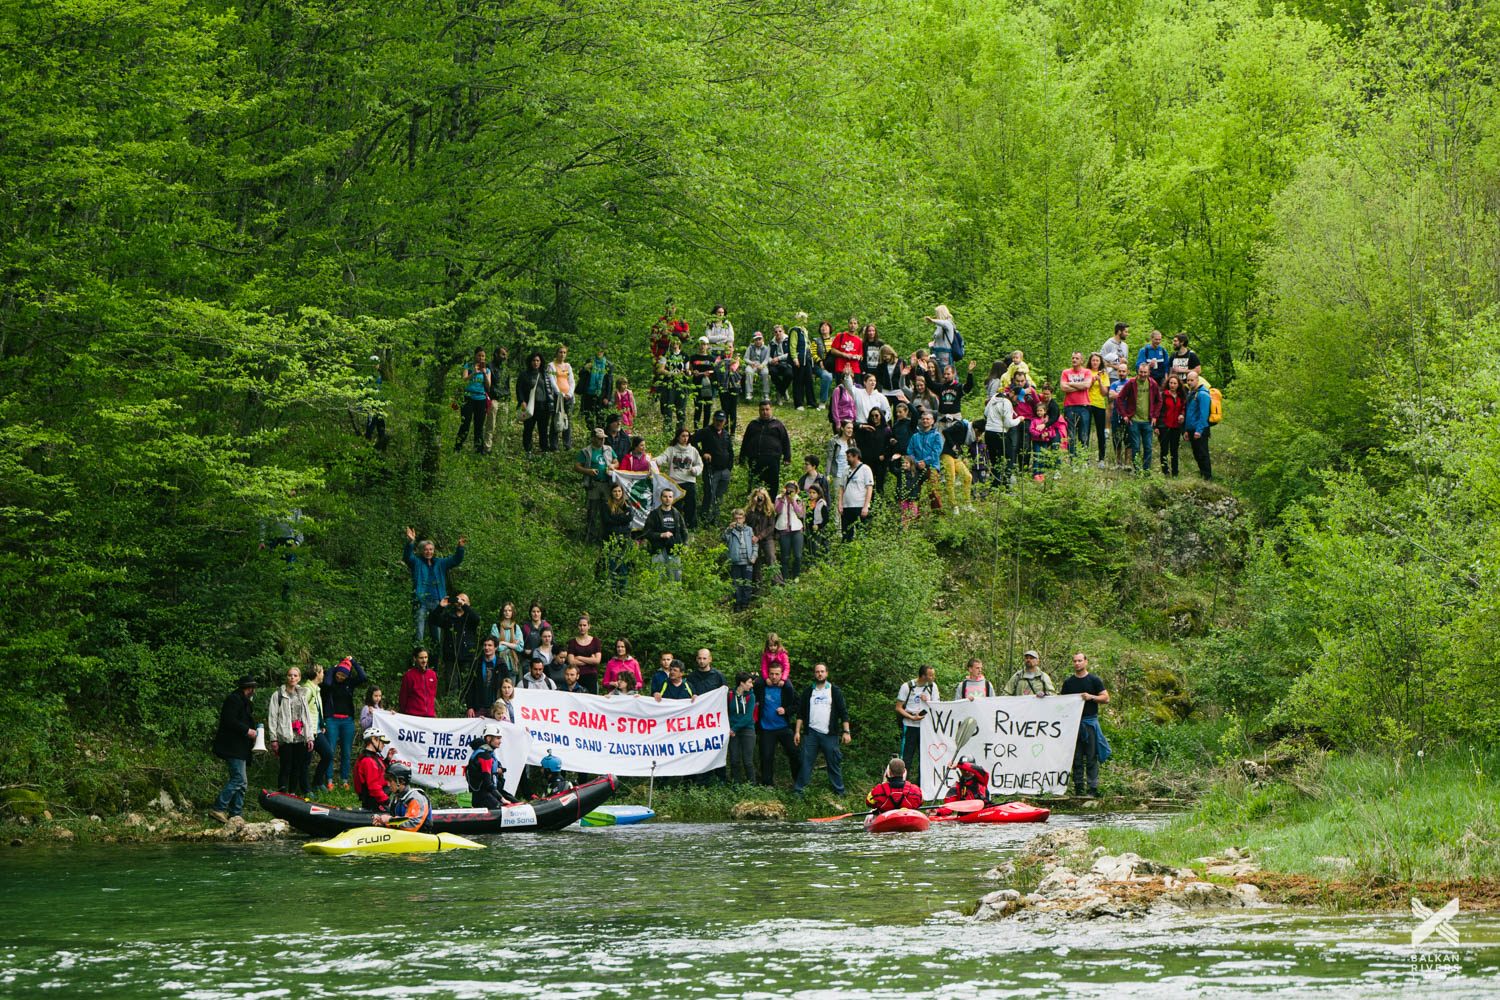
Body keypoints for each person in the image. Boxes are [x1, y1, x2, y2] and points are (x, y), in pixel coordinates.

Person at [207, 675, 259, 824]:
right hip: (232, 746)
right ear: (249, 688)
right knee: (238, 779)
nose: (253, 691)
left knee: (242, 782)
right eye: (252, 688)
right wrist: (247, 731)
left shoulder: (243, 701)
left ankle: (236, 814)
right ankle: (219, 808)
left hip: (240, 747)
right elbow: (229, 720)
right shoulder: (234, 699)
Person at [793, 662, 850, 796]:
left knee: (834, 763)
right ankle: (799, 792)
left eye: (822, 671)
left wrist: (846, 732)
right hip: (811, 733)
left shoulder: (834, 691)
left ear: (827, 673)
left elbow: (843, 713)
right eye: (817, 671)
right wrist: (797, 732)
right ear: (814, 674)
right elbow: (800, 713)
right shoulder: (808, 691)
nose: (820, 674)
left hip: (829, 734)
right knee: (805, 763)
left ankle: (840, 792)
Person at [402, 527, 466, 642]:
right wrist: (410, 542)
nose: (429, 552)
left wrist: (460, 547)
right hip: (422, 602)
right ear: (422, 551)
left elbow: (455, 560)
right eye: (426, 550)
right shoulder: (417, 562)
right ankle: (418, 657)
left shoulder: (440, 563)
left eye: (431, 549)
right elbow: (407, 557)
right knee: (419, 634)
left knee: (436, 637)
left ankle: (435, 659)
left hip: (438, 603)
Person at [320, 657, 366, 790]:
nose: (340, 677)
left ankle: (344, 779)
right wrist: (334, 668)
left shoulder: (349, 683)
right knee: (330, 751)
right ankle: (329, 780)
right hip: (332, 720)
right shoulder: (330, 683)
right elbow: (327, 683)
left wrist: (354, 663)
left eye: (344, 675)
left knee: (346, 752)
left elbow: (363, 677)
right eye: (339, 674)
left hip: (347, 721)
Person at [267, 666, 314, 795]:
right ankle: (282, 792)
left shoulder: (302, 694)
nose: (292, 678)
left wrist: (309, 737)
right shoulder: (278, 695)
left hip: (300, 736)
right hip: (285, 735)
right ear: (286, 677)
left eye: (295, 675)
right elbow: (272, 717)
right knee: (285, 766)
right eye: (290, 675)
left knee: (297, 766)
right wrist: (273, 738)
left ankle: (292, 792)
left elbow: (307, 717)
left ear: (299, 678)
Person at [755, 662, 798, 786]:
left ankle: (798, 782)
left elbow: (797, 704)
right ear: (767, 674)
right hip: (766, 728)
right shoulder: (762, 687)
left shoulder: (786, 688)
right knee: (766, 757)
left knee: (794, 753)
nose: (774, 677)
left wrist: (786, 711)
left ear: (782, 674)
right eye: (771, 674)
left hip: (783, 727)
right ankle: (768, 784)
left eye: (777, 674)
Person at [574, 427, 618, 543]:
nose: (602, 441)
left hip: (607, 484)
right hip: (593, 484)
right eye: (599, 439)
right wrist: (588, 471)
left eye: (603, 439)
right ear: (593, 438)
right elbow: (577, 466)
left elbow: (616, 461)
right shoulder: (586, 451)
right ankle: (590, 537)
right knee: (592, 511)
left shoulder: (608, 449)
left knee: (607, 510)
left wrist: (613, 466)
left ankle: (605, 537)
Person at [426, 592, 481, 684]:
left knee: (465, 686)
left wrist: (464, 606)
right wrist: (441, 606)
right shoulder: (449, 616)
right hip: (451, 657)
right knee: (451, 686)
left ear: (468, 604)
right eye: (458, 599)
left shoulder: (470, 617)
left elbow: (477, 619)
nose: (459, 602)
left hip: (467, 657)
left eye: (463, 600)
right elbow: (433, 620)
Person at [739, 400, 791, 495]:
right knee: (754, 484)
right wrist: (742, 458)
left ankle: (771, 506)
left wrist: (787, 458)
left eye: (767, 409)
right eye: (762, 409)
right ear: (759, 411)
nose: (765, 412)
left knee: (773, 484)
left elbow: (785, 441)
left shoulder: (778, 424)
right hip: (755, 460)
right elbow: (745, 442)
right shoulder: (753, 424)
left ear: (771, 410)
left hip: (772, 460)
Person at [692, 410, 735, 526]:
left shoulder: (726, 434)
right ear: (713, 420)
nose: (719, 423)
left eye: (721, 421)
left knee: (719, 496)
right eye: (717, 420)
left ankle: (716, 519)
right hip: (711, 469)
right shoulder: (706, 431)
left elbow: (730, 450)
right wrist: (702, 453)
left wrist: (730, 466)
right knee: (709, 495)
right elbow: (692, 440)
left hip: (725, 470)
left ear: (725, 421)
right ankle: (706, 519)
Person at [1118, 362, 1161, 475]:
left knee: (1148, 447)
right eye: (1141, 372)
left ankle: (1146, 471)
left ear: (1149, 372)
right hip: (1134, 421)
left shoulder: (1152, 384)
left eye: (1145, 372)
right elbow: (1119, 399)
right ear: (1137, 371)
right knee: (1136, 447)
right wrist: (1125, 415)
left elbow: (1159, 401)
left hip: (1148, 421)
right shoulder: (1131, 383)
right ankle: (1137, 470)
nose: (1143, 374)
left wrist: (1155, 416)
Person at [895, 665, 938, 774]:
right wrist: (912, 717)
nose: (934, 677)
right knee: (907, 756)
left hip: (926, 727)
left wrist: (928, 700)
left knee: (925, 757)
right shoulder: (907, 686)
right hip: (910, 726)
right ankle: (902, 782)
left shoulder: (932, 687)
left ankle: (921, 784)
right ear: (923, 676)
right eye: (931, 675)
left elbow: (937, 706)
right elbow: (898, 708)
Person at [660, 425, 704, 530]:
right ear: (678, 437)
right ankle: (676, 527)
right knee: (676, 507)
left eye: (687, 436)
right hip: (675, 483)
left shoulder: (693, 450)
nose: (685, 438)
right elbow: (663, 458)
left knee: (691, 506)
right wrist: (653, 461)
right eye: (683, 436)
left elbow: (700, 464)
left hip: (689, 482)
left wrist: (695, 470)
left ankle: (691, 528)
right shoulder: (671, 450)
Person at [466, 721, 518, 809]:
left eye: (500, 738)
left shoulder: (488, 753)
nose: (500, 741)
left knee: (518, 804)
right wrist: (502, 799)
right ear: (489, 738)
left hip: (491, 792)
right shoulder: (484, 756)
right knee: (504, 806)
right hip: (482, 796)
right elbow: (487, 783)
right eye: (498, 738)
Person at [642, 485, 688, 581]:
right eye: (665, 496)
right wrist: (661, 535)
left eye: (670, 497)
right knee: (657, 578)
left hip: (674, 548)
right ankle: (658, 597)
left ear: (673, 498)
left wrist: (685, 545)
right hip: (658, 549)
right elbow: (646, 533)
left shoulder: (677, 513)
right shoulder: (654, 514)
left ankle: (674, 596)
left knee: (676, 577)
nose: (668, 499)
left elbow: (684, 531)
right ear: (661, 498)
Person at [516, 351, 557, 456]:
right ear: (530, 362)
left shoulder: (545, 375)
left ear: (541, 362)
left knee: (543, 430)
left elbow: (551, 389)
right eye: (533, 360)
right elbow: (519, 389)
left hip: (544, 407)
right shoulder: (524, 375)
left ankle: (544, 450)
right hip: (530, 406)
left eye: (537, 360)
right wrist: (522, 401)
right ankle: (528, 450)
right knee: (528, 429)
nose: (535, 362)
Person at [371, 762, 431, 831]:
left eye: (390, 781)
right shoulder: (397, 798)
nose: (388, 784)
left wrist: (390, 820)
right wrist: (383, 822)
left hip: (421, 839)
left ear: (401, 781)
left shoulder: (416, 798)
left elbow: (413, 825)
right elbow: (396, 824)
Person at [302, 664, 332, 793]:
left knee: (328, 754)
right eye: (322, 672)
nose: (323, 674)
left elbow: (317, 710)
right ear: (317, 673)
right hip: (308, 731)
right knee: (305, 761)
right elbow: (302, 710)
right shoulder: (307, 689)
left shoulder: (316, 689)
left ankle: (317, 782)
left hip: (317, 730)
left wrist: (322, 724)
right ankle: (306, 789)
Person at [455, 347, 491, 454]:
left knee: (479, 426)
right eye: (479, 355)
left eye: (483, 356)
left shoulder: (487, 370)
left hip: (481, 399)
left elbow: (488, 386)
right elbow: (464, 380)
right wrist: (474, 373)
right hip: (468, 398)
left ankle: (478, 450)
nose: (481, 358)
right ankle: (457, 447)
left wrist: (484, 373)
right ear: (475, 355)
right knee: (465, 424)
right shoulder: (468, 366)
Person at [984, 383, 1021, 485]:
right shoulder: (1007, 403)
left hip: (988, 433)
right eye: (1018, 398)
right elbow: (1008, 423)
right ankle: (1006, 485)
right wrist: (1019, 419)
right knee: (1009, 459)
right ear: (1012, 393)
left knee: (994, 460)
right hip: (1000, 434)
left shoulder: (994, 397)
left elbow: (986, 413)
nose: (1018, 401)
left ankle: (994, 485)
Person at [1059, 351, 1093, 460]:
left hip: (1084, 406)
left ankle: (1084, 460)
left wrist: (1070, 384)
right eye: (1073, 358)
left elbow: (1087, 385)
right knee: (1071, 436)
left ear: (1081, 361)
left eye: (1077, 358)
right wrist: (1080, 386)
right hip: (1069, 406)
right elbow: (1063, 388)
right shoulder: (1065, 372)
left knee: (1083, 436)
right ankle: (1073, 461)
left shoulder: (1087, 372)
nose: (1074, 360)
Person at [351, 728, 394, 811]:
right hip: (374, 801)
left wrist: (387, 760)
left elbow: (379, 771)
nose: (384, 745)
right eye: (382, 742)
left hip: (378, 798)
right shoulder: (368, 761)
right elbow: (374, 787)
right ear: (374, 739)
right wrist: (388, 802)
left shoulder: (373, 756)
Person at [745, 486, 780, 586]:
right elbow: (749, 522)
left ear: (765, 498)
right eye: (758, 497)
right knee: (756, 560)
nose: (760, 499)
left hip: (766, 538)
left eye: (762, 497)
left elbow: (771, 527)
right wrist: (753, 506)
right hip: (753, 538)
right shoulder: (749, 509)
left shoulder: (769, 509)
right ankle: (757, 584)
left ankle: (777, 582)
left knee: (771, 557)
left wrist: (759, 536)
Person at [723, 508, 757, 610]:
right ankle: (737, 605)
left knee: (747, 584)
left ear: (744, 519)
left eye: (740, 518)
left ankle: (745, 605)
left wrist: (754, 556)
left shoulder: (749, 530)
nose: (738, 520)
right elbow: (724, 539)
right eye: (736, 518)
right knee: (736, 584)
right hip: (736, 561)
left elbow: (755, 545)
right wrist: (729, 529)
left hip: (748, 562)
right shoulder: (730, 530)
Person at [906, 409, 942, 504]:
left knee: (933, 491)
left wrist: (925, 462)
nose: (925, 421)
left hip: (932, 466)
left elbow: (936, 452)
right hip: (917, 467)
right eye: (923, 419)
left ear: (932, 421)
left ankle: (937, 516)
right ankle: (915, 515)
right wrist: (917, 462)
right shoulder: (915, 436)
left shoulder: (936, 436)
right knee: (914, 492)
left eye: (928, 419)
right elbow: (910, 451)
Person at [727, 673, 758, 784]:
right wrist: (731, 728)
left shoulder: (751, 696)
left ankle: (752, 785)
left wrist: (734, 729)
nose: (751, 685)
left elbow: (748, 717)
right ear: (741, 683)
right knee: (734, 760)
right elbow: (726, 712)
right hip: (732, 731)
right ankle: (736, 784)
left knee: (747, 761)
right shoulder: (730, 695)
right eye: (749, 682)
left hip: (747, 730)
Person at [939, 418, 973, 512]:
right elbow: (946, 431)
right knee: (951, 479)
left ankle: (967, 503)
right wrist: (952, 444)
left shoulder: (968, 432)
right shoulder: (960, 426)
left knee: (967, 476)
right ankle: (953, 505)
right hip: (947, 454)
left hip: (956, 456)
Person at [840, 447, 874, 542]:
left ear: (856, 456)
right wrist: (840, 504)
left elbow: (869, 488)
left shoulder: (865, 469)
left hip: (859, 505)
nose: (847, 459)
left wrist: (866, 506)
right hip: (847, 506)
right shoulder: (845, 470)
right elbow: (841, 488)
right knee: (846, 533)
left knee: (861, 532)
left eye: (849, 457)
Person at [1184, 370, 1213, 480]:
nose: (1190, 382)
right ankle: (1202, 474)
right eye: (1188, 380)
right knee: (1196, 453)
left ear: (1197, 380)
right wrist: (1187, 430)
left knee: (1203, 453)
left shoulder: (1202, 394)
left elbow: (1203, 414)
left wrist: (1199, 430)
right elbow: (1189, 413)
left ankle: (1207, 477)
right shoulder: (1191, 394)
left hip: (1200, 429)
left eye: (1192, 380)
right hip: (1192, 429)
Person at [773, 481, 805, 581]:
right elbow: (777, 510)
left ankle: (796, 576)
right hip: (783, 530)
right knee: (785, 556)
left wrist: (792, 501)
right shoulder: (779, 497)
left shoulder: (798, 499)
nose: (790, 492)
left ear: (796, 491)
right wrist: (783, 498)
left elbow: (800, 513)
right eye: (788, 490)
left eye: (792, 491)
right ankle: (785, 578)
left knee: (798, 555)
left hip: (797, 530)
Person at [466, 637, 506, 718]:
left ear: (496, 647)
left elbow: (507, 687)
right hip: (478, 707)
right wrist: (470, 707)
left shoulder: (501, 664)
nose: (487, 648)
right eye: (485, 645)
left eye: (490, 645)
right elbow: (469, 686)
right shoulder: (476, 663)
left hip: (496, 708)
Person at [579, 343, 614, 430]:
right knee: (588, 417)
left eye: (601, 351)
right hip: (588, 394)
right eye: (597, 350)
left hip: (601, 395)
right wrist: (585, 368)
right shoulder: (590, 361)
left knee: (601, 418)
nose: (599, 352)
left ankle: (600, 439)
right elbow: (581, 375)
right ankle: (590, 437)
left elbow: (610, 382)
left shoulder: (608, 365)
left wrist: (607, 397)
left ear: (604, 352)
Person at [565, 613, 604, 692]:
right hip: (576, 677)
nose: (582, 628)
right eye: (580, 625)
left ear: (589, 626)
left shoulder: (595, 641)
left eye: (584, 625)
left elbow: (597, 660)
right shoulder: (572, 642)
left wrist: (579, 657)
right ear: (577, 626)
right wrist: (590, 660)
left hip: (591, 676)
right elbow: (571, 661)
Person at [548, 345, 576, 451]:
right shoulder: (552, 365)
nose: (562, 354)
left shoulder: (567, 366)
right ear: (556, 353)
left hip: (568, 397)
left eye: (564, 352)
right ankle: (554, 445)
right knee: (556, 418)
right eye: (560, 352)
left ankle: (567, 444)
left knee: (567, 419)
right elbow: (552, 381)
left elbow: (571, 380)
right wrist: (560, 393)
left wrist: (570, 393)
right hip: (557, 397)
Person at [1158, 373, 1186, 477]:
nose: (1172, 385)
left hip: (1176, 427)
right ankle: (1165, 471)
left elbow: (1183, 408)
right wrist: (1156, 427)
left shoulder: (1181, 396)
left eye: (1175, 383)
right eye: (1171, 383)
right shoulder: (1163, 395)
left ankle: (1175, 472)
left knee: (1174, 450)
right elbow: (1158, 411)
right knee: (1164, 449)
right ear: (1168, 383)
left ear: (1178, 384)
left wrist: (1182, 415)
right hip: (1164, 426)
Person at [657, 338, 689, 428]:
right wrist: (672, 374)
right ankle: (667, 432)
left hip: (682, 385)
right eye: (673, 340)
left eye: (677, 340)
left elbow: (687, 370)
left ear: (680, 342)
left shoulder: (685, 355)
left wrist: (688, 372)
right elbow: (660, 369)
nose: (675, 342)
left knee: (681, 410)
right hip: (669, 384)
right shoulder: (666, 355)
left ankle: (681, 432)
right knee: (668, 409)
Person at [1084, 352, 1110, 466]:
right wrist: (1093, 380)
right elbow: (1085, 388)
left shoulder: (1104, 374)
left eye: (1097, 361)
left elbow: (1105, 393)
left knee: (1100, 432)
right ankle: (1085, 458)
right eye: (1093, 360)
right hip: (1087, 403)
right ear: (1090, 361)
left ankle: (1101, 459)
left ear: (1100, 362)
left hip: (1100, 405)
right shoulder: (1086, 372)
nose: (1095, 362)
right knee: (1086, 431)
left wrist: (1099, 381)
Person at [1107, 360, 1132, 468]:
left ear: (1128, 372)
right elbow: (1110, 395)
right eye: (1120, 371)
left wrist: (1118, 395)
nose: (1121, 373)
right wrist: (1123, 396)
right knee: (1116, 438)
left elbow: (1131, 397)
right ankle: (1118, 462)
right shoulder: (1114, 384)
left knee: (1128, 438)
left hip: (1129, 414)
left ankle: (1127, 463)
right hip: (1116, 413)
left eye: (1123, 371)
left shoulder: (1131, 383)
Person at [399, 647, 438, 717]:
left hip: (430, 715)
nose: (424, 660)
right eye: (421, 658)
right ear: (415, 658)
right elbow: (403, 698)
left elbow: (433, 695)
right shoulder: (409, 676)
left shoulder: (433, 675)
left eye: (426, 657)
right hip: (414, 715)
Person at [688, 337, 718, 428]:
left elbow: (715, 371)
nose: (702, 346)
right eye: (700, 344)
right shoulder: (693, 357)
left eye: (704, 344)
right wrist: (693, 372)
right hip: (697, 385)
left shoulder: (712, 358)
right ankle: (696, 429)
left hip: (708, 385)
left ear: (707, 346)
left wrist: (709, 373)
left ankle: (705, 428)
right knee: (698, 408)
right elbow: (689, 371)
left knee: (707, 408)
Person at [490, 602, 525, 679]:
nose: (507, 612)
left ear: (513, 612)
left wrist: (503, 642)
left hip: (513, 664)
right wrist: (512, 645)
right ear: (502, 612)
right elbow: (495, 646)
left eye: (509, 610)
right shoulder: (496, 627)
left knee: (511, 688)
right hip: (499, 663)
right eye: (505, 610)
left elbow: (520, 647)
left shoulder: (516, 627)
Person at [787, 314, 815, 410]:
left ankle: (811, 402)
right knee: (798, 380)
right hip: (799, 358)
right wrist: (795, 358)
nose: (805, 319)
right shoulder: (795, 330)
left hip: (807, 358)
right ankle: (798, 403)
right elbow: (792, 345)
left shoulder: (804, 330)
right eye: (803, 318)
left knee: (809, 380)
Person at [826, 418, 853, 505]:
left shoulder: (852, 442)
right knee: (838, 499)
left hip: (849, 474)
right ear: (842, 428)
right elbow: (829, 458)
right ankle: (837, 519)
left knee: (848, 499)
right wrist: (827, 474)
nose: (850, 430)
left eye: (852, 428)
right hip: (838, 473)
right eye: (848, 428)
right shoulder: (834, 441)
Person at [811, 320, 835, 405]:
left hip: (833, 366)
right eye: (822, 326)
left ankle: (840, 402)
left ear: (830, 328)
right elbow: (813, 353)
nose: (824, 328)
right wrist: (820, 362)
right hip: (819, 366)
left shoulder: (834, 340)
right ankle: (823, 401)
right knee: (827, 376)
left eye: (826, 326)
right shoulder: (816, 341)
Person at [742, 330, 772, 403]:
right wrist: (750, 362)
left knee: (765, 373)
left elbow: (767, 359)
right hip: (752, 364)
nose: (758, 341)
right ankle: (749, 393)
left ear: (762, 339)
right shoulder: (750, 347)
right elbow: (745, 358)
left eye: (759, 339)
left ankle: (766, 394)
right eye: (756, 340)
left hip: (762, 364)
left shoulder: (766, 348)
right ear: (754, 340)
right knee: (748, 371)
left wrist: (762, 365)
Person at [768, 324, 793, 402]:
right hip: (774, 364)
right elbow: (767, 356)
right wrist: (771, 361)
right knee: (772, 372)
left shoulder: (789, 340)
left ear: (783, 331)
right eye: (776, 332)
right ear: (774, 333)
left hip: (786, 363)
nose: (778, 333)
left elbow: (790, 353)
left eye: (780, 331)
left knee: (789, 374)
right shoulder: (771, 343)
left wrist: (778, 358)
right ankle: (783, 390)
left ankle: (780, 392)